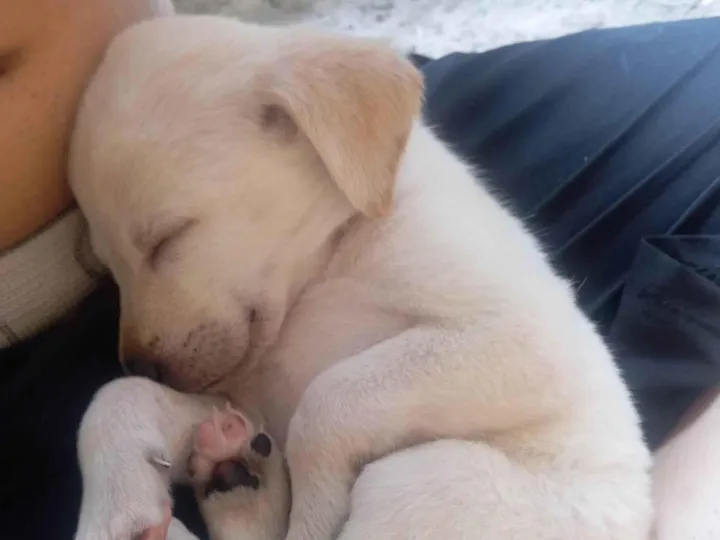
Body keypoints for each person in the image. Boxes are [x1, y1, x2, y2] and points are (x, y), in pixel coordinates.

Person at [1, 0, 719, 538]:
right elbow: (250, 424)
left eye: (167, 243)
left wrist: (329, 431)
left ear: (302, 123)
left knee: (409, 487)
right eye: (116, 269)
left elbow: (531, 356)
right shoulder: (261, 269)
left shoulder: (406, 205)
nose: (141, 338)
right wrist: (124, 427)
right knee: (123, 409)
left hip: (540, 488)